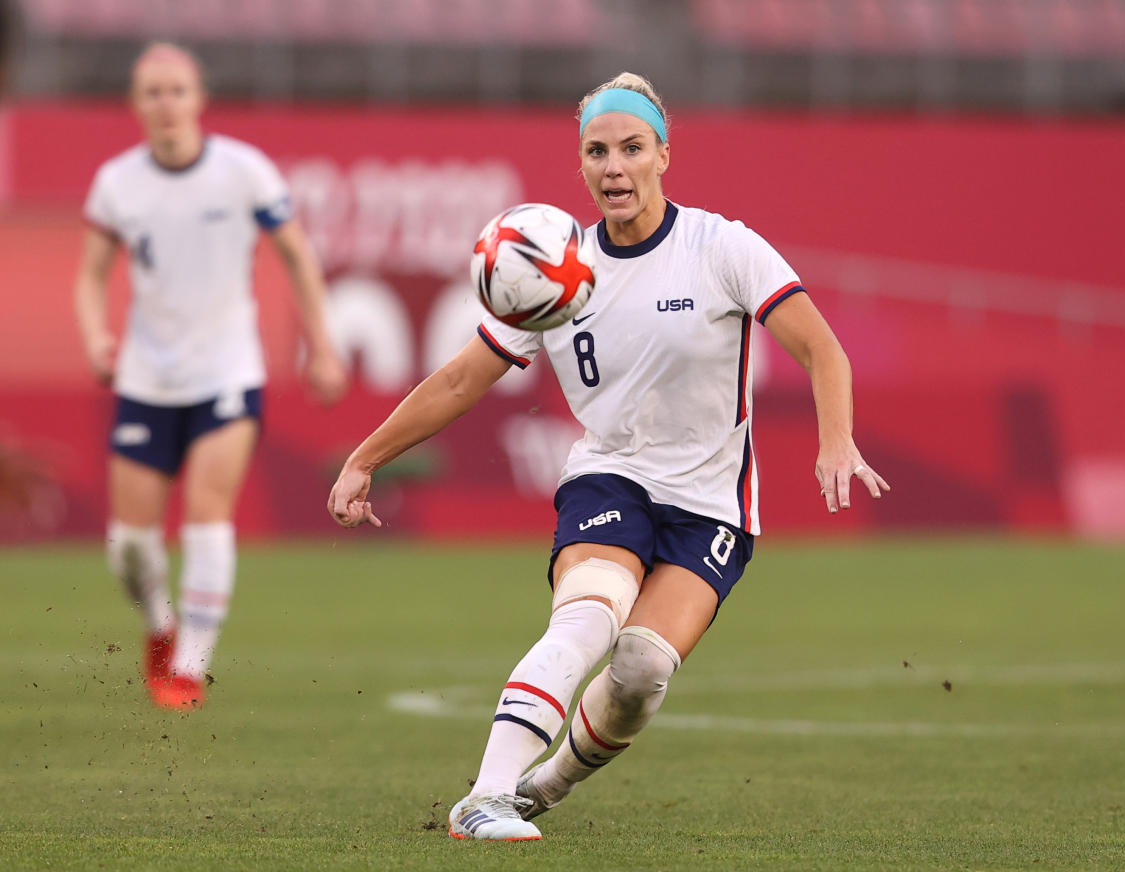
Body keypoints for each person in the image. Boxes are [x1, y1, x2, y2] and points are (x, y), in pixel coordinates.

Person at [328, 72, 889, 840]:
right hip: (610, 474)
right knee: (589, 619)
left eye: (631, 148)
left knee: (642, 671)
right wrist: (366, 457)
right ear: (582, 166)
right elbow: (461, 378)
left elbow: (822, 348)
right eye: (597, 151)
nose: (613, 166)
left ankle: (541, 787)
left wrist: (836, 439)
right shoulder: (560, 269)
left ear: (664, 154)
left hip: (711, 504)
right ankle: (483, 796)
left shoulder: (721, 247)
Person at [75, 42, 347, 711]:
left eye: (177, 90)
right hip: (145, 378)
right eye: (152, 91)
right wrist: (96, 337)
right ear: (136, 105)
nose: (166, 103)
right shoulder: (117, 183)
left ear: (199, 98)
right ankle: (158, 626)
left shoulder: (243, 170)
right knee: (130, 549)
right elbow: (89, 273)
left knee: (206, 514)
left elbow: (296, 256)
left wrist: (323, 345)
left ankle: (190, 665)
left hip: (227, 371)